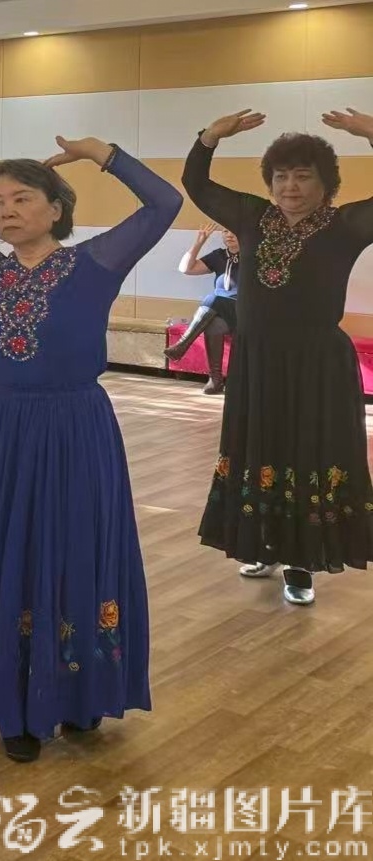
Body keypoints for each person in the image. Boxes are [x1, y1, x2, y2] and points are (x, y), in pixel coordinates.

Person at [0, 135, 183, 762]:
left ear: (56, 208)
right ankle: (16, 701)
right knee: (13, 547)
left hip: (78, 426)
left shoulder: (96, 262)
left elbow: (165, 203)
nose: (6, 210)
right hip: (10, 428)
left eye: (21, 198)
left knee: (78, 546)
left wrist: (104, 155)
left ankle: (81, 690)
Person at [183, 108, 373, 605]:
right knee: (259, 450)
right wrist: (210, 135)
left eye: (303, 176)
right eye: (281, 176)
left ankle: (300, 562)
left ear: (325, 184)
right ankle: (262, 544)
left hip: (316, 366)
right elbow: (196, 184)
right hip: (258, 362)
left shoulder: (345, 225)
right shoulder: (251, 215)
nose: (290, 186)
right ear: (269, 182)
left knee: (306, 453)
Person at [165, 223, 240, 394]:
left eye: (234, 232)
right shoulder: (219, 256)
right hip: (223, 313)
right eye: (226, 231)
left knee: (212, 298)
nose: (229, 235)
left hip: (244, 310)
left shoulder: (253, 256)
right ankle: (215, 380)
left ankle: (182, 344)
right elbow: (185, 268)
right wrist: (199, 242)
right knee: (213, 325)